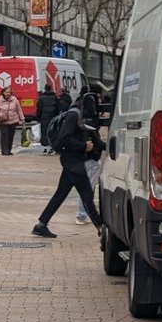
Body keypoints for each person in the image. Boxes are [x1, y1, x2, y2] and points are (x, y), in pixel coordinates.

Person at [31, 97, 101, 239]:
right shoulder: (74, 115)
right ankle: (101, 228)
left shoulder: (79, 116)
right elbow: (64, 137)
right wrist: (83, 146)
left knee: (60, 195)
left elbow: (96, 141)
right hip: (73, 163)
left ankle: (41, 225)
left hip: (72, 162)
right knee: (87, 196)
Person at [74, 93, 105, 225]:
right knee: (88, 188)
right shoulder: (90, 122)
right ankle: (82, 214)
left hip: (80, 158)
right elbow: (97, 142)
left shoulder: (79, 118)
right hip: (90, 158)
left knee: (83, 187)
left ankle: (83, 214)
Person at [0, 86, 25, 156]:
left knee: (10, 137)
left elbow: (19, 110)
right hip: (3, 121)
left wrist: (22, 119)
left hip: (13, 121)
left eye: (10, 92)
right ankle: (4, 151)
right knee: (4, 136)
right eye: (7, 92)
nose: (8, 93)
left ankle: (9, 150)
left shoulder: (15, 100)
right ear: (3, 93)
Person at [34, 83, 59, 155]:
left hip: (44, 117)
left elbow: (39, 109)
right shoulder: (54, 97)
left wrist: (37, 118)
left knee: (44, 132)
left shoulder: (41, 97)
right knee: (51, 132)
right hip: (53, 117)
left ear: (45, 89)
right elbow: (58, 107)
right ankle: (51, 148)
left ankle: (45, 148)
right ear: (50, 88)